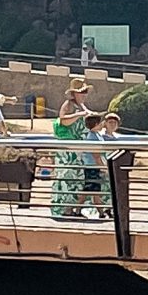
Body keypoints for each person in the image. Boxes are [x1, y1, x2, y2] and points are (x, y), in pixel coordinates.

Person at [49, 79, 94, 219]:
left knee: (78, 180)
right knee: (67, 179)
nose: (84, 94)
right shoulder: (69, 105)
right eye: (82, 92)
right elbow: (63, 120)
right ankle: (65, 209)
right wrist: (79, 115)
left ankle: (74, 208)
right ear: (74, 93)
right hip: (67, 151)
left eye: (85, 92)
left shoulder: (82, 105)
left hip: (78, 150)